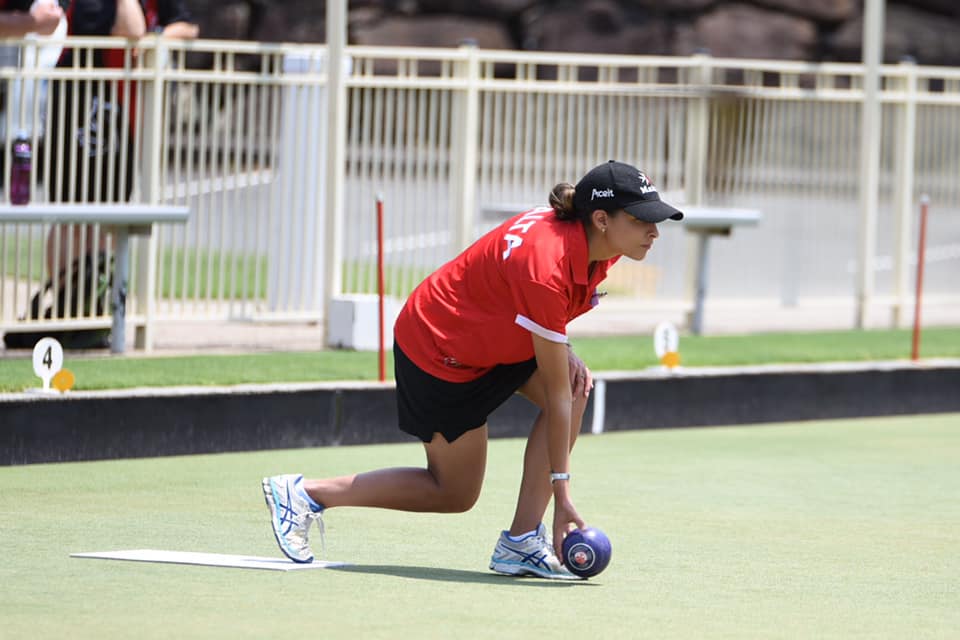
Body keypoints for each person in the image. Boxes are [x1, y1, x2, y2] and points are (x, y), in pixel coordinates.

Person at [262, 160, 684, 579]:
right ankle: (304, 495)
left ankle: (520, 542)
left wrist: (562, 346)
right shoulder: (546, 264)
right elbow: (552, 382)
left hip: (488, 339)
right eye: (641, 219)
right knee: (454, 492)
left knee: (575, 385)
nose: (654, 231)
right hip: (437, 349)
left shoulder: (597, 247)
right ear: (601, 219)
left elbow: (536, 315)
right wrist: (563, 496)